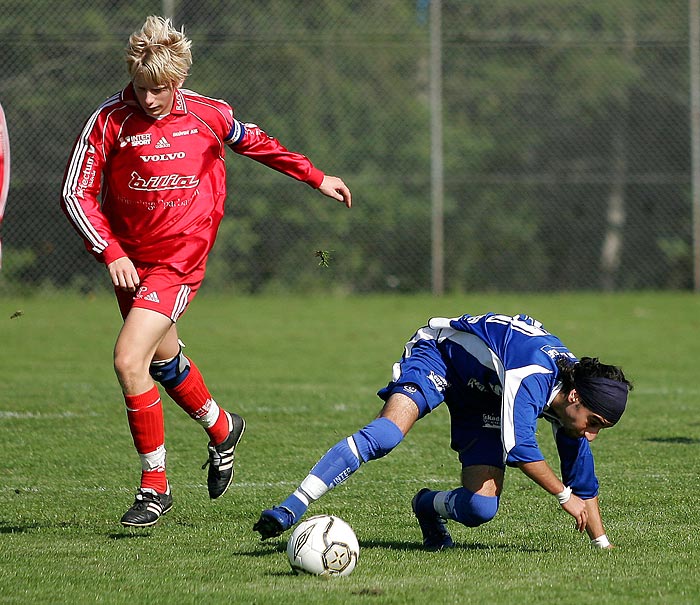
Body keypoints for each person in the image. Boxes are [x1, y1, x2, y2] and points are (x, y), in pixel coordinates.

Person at [60, 16, 351, 528]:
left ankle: (155, 487)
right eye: (140, 86)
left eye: (159, 89)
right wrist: (112, 251)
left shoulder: (209, 116)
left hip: (180, 261)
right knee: (163, 361)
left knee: (129, 360)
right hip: (132, 263)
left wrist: (317, 177)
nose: (148, 98)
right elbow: (74, 193)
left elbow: (262, 145)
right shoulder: (108, 121)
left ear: (178, 82)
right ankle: (222, 427)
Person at [254, 312, 631, 550]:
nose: (592, 434)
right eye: (594, 423)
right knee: (386, 435)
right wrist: (563, 496)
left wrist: (602, 544)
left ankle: (426, 505)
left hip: (485, 398)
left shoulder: (570, 402)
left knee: (481, 508)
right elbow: (519, 448)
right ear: (575, 396)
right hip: (441, 357)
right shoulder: (533, 375)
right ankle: (291, 507)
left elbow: (584, 483)